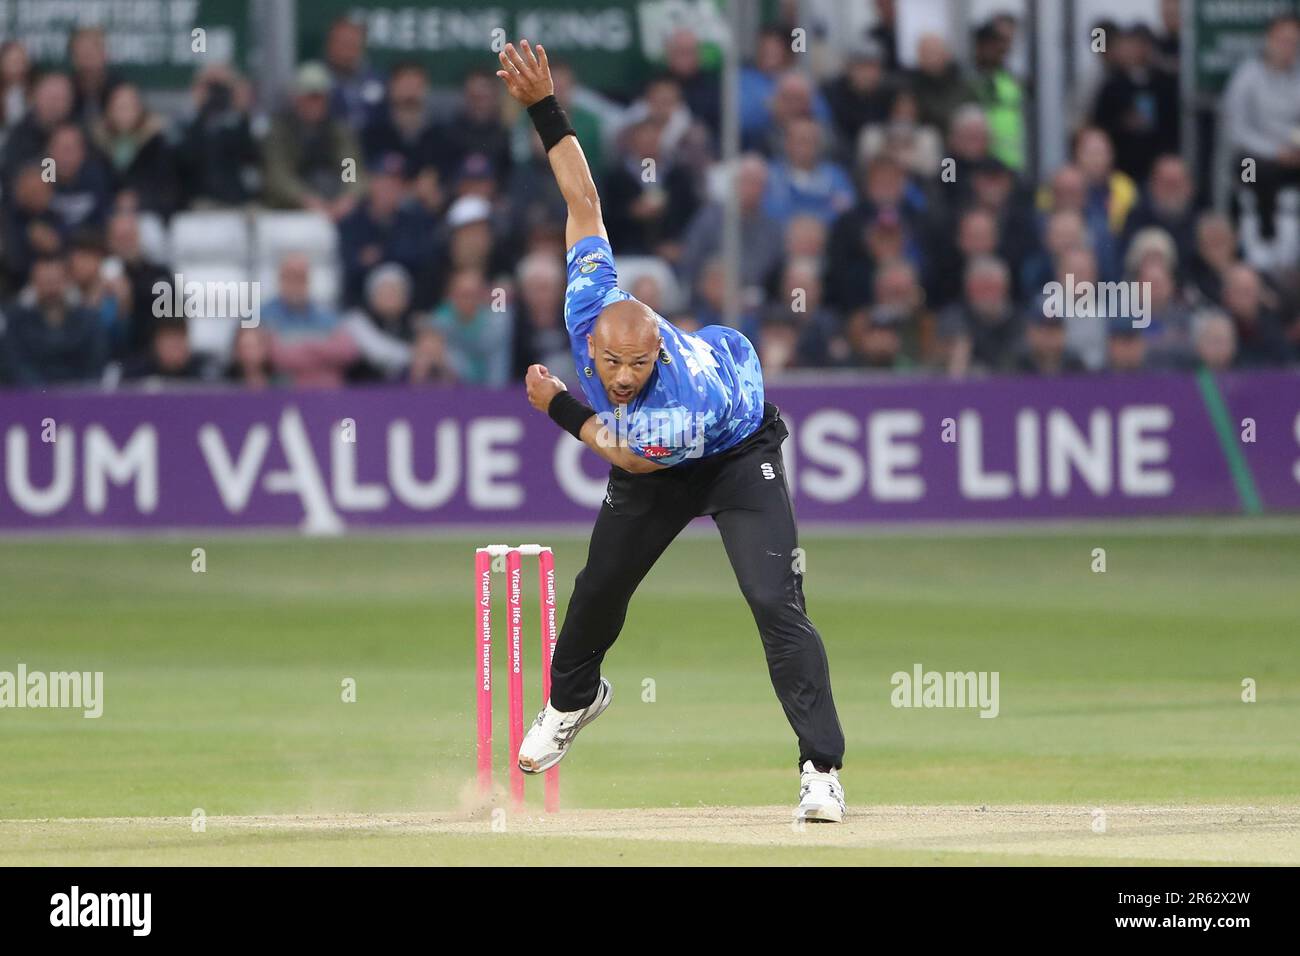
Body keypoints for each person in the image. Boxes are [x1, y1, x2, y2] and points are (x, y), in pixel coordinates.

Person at [495, 39, 846, 822]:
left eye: (635, 366)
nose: (620, 378)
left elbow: (625, 451)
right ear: (592, 342)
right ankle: (572, 702)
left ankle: (820, 770)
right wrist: (545, 110)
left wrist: (558, 405)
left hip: (733, 449)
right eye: (611, 365)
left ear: (657, 344)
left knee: (773, 601)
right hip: (662, 442)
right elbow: (583, 202)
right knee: (598, 589)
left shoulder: (668, 400)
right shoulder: (589, 299)